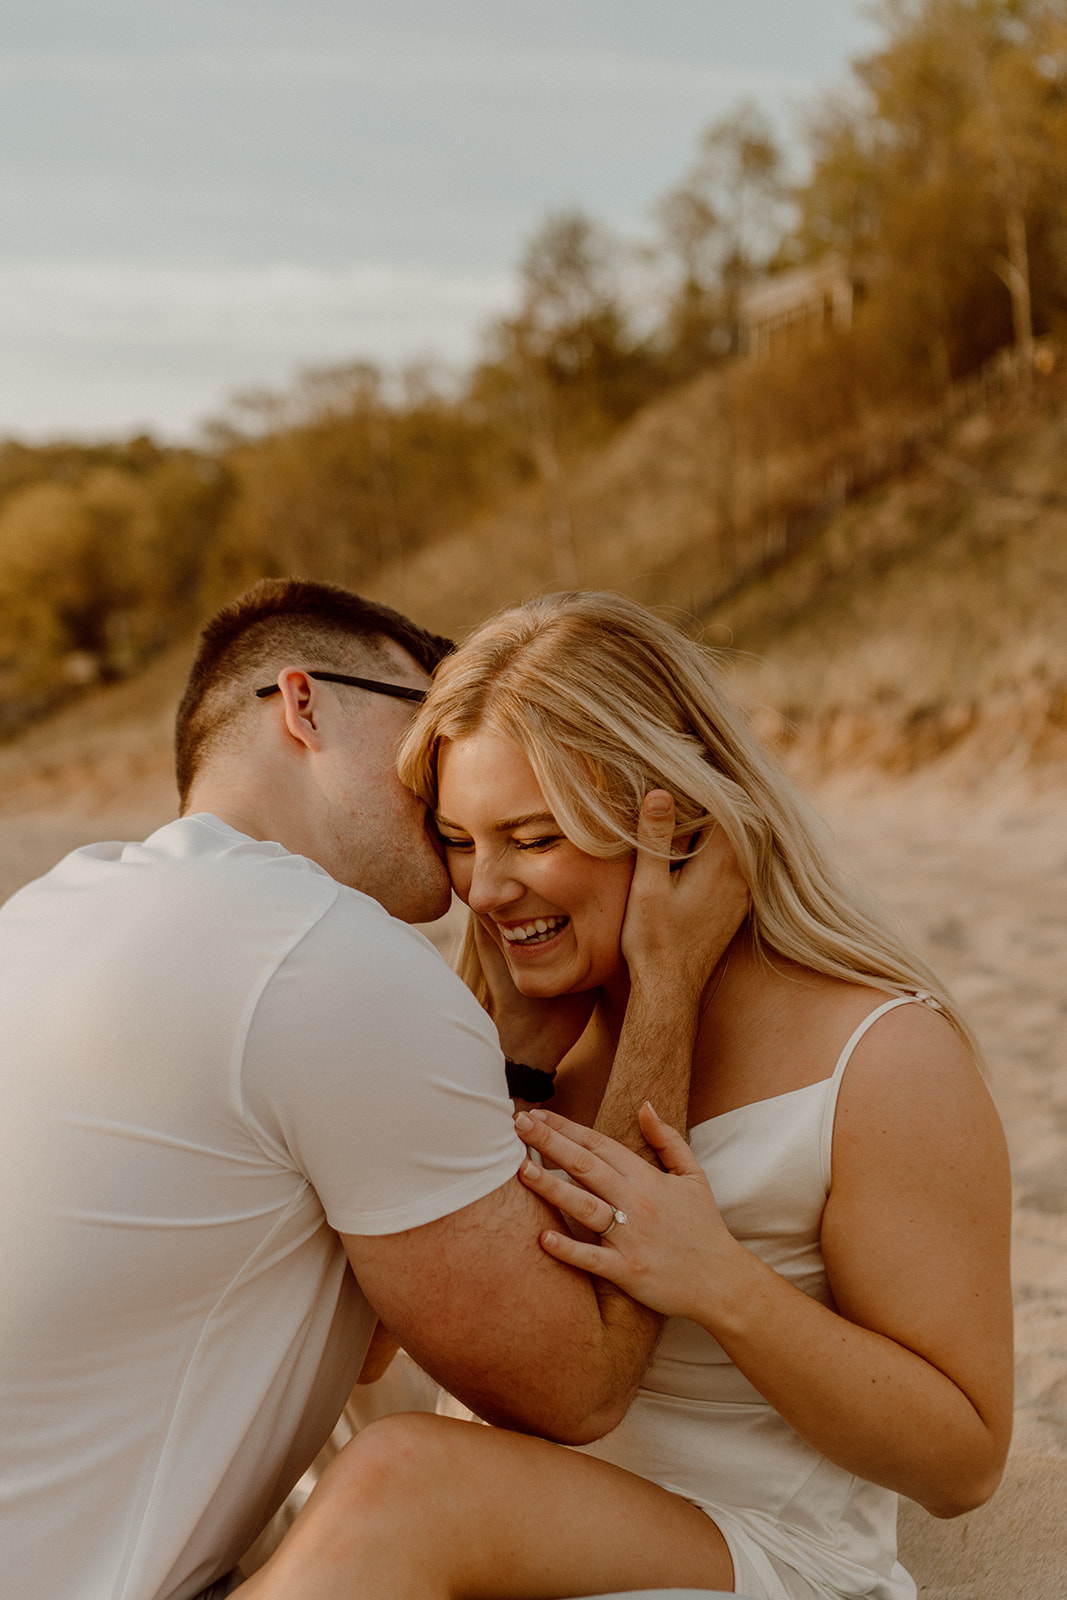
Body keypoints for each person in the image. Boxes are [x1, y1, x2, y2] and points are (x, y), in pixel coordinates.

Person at [241, 590, 1014, 1600]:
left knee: (403, 1484)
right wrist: (503, 1069)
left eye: (533, 836)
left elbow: (961, 1462)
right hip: (512, 1534)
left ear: (672, 822)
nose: (483, 889)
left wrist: (720, 1284)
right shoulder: (501, 1032)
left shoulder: (877, 1053)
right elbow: (380, 1351)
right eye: (461, 839)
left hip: (755, 1556)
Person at [0, 579, 748, 1600]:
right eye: (422, 723)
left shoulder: (50, 913)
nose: (440, 774)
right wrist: (665, 989)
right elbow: (574, 1384)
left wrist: (515, 1065)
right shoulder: (317, 954)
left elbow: (372, 1341)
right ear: (301, 703)